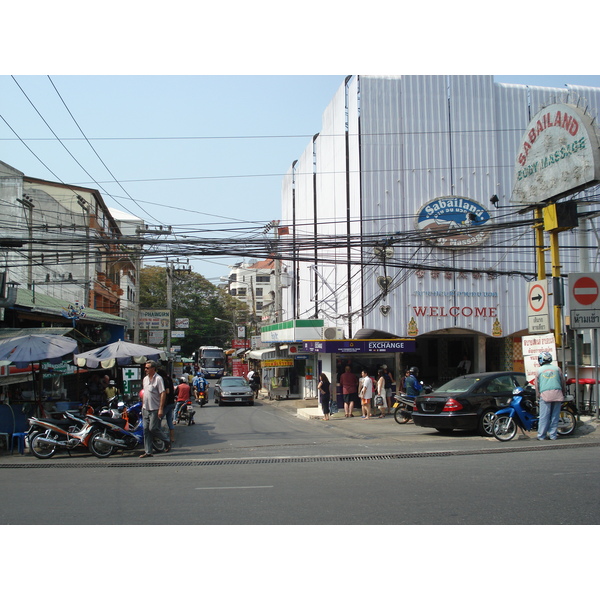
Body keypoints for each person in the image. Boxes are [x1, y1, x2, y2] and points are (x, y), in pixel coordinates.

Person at [139, 360, 171, 457]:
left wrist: (161, 408)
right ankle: (148, 451)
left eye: (147, 368)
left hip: (155, 408)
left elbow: (163, 393)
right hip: (145, 408)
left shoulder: (158, 379)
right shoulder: (145, 379)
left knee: (153, 428)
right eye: (145, 368)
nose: (146, 370)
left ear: (153, 369)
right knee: (145, 430)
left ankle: (166, 440)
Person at [534, 352, 566, 441]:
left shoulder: (539, 370)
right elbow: (563, 382)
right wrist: (563, 392)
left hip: (545, 395)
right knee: (555, 416)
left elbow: (537, 385)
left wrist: (538, 395)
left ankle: (541, 435)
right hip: (557, 394)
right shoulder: (557, 369)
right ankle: (553, 435)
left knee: (544, 416)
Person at [157, 368, 176, 443]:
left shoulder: (164, 380)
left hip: (167, 403)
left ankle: (161, 437)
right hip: (171, 402)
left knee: (158, 420)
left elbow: (167, 391)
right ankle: (172, 438)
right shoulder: (169, 379)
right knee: (169, 421)